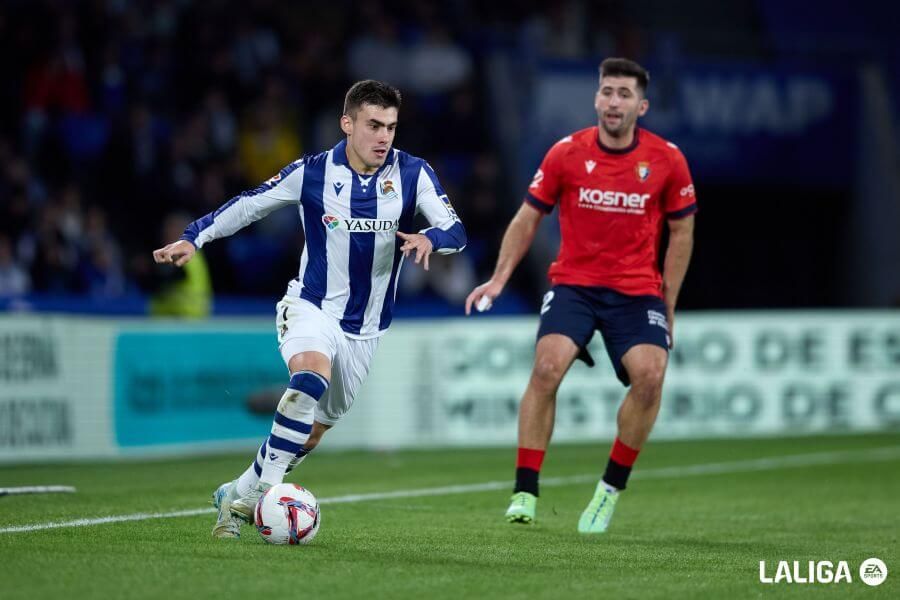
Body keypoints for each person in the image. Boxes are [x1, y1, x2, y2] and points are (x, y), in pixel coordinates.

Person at [153, 80, 467, 538]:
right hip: (311, 306)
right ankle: (269, 499)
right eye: (374, 125)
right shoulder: (313, 172)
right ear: (348, 123)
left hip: (366, 328)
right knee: (309, 378)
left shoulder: (413, 173)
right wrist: (194, 236)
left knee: (311, 433)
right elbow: (250, 205)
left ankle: (237, 492)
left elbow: (456, 230)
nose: (384, 137)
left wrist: (429, 238)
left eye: (391, 127)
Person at [465, 58, 696, 534]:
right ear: (596, 98)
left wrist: (668, 302)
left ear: (642, 105)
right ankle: (525, 490)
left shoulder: (667, 159)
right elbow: (528, 217)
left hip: (637, 291)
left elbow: (682, 231)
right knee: (547, 367)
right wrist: (499, 278)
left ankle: (609, 489)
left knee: (650, 378)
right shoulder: (566, 153)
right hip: (575, 283)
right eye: (607, 91)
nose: (614, 101)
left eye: (624, 94)